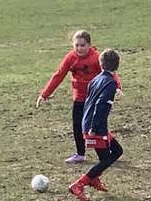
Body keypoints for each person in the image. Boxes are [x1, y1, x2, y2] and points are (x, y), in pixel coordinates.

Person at [36, 30, 113, 164]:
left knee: (96, 126)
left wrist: (117, 87)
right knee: (77, 126)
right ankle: (80, 154)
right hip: (79, 98)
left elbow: (109, 73)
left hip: (94, 99)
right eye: (76, 45)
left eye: (82, 45)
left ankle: (108, 150)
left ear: (89, 44)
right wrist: (45, 94)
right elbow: (58, 75)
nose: (79, 48)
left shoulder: (96, 57)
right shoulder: (70, 58)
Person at [69, 50, 123, 201]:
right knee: (105, 160)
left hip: (91, 123)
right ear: (117, 66)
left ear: (100, 64)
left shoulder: (95, 79)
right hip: (96, 127)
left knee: (117, 150)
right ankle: (79, 184)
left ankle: (94, 179)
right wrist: (93, 128)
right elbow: (100, 106)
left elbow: (89, 102)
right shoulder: (111, 83)